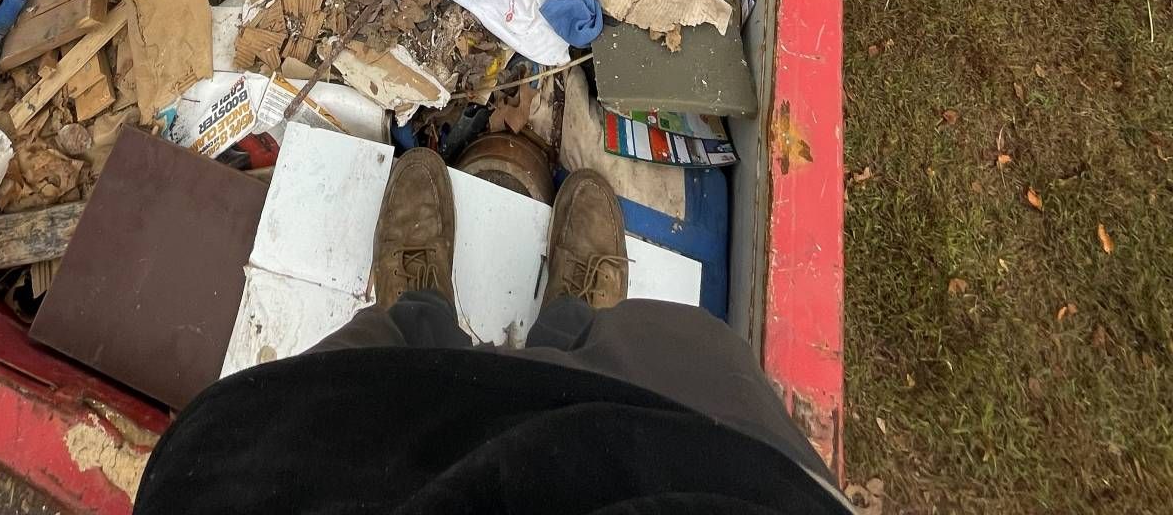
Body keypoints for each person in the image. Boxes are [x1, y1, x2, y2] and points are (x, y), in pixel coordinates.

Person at [135, 152, 850, 514]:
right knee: (665, 362)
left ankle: (418, 313)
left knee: (368, 379)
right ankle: (575, 326)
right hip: (688, 477)